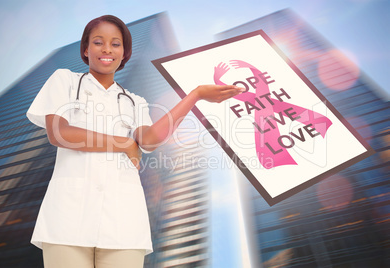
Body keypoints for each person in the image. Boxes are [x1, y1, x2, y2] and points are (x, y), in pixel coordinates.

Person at [26, 15, 244, 268]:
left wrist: (194, 96)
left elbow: (149, 142)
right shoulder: (64, 80)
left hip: (123, 222)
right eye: (98, 42)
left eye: (115, 44)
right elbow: (59, 133)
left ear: (124, 53)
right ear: (86, 49)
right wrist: (123, 143)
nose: (107, 48)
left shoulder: (135, 101)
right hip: (67, 218)